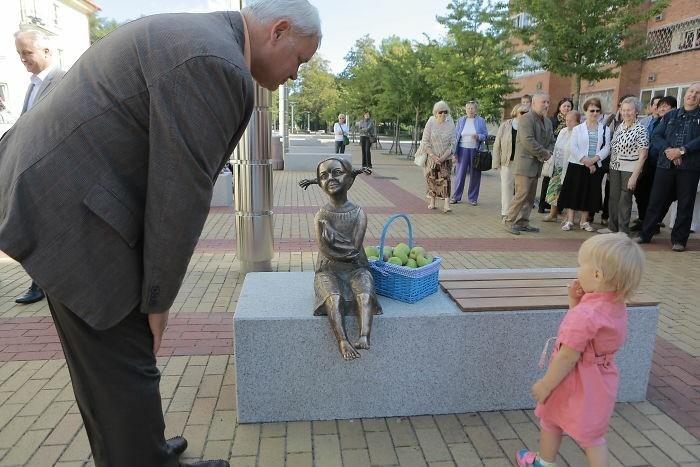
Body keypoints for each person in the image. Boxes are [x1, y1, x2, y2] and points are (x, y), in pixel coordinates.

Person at [0, 2, 321, 466]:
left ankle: (144, 449)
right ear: (279, 31)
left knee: (107, 370)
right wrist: (158, 301)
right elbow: (179, 195)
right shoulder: (219, 65)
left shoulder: (202, 38)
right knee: (125, 363)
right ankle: (139, 456)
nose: (296, 74)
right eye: (300, 60)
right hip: (70, 213)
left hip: (55, 192)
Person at [515, 233, 645, 467]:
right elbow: (593, 338)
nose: (578, 270)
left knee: (550, 420)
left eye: (580, 265)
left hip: (570, 380)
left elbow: (568, 355)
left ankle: (544, 463)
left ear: (596, 275)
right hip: (599, 381)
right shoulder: (615, 306)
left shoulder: (585, 314)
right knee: (593, 437)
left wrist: (546, 385)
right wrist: (575, 303)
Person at [298, 158, 380, 360]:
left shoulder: (359, 213)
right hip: (328, 270)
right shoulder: (321, 216)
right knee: (333, 299)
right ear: (320, 184)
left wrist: (334, 238)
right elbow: (325, 250)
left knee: (365, 293)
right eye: (324, 176)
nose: (330, 179)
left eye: (336, 173)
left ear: (350, 180)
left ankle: (364, 336)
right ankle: (342, 341)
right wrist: (338, 244)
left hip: (356, 268)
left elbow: (354, 248)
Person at [12, 30, 66, 305]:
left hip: (53, 171)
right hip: (34, 170)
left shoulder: (62, 81)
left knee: (49, 229)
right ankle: (41, 283)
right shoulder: (33, 84)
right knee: (38, 229)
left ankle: (46, 284)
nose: (23, 58)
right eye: (20, 53)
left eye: (27, 52)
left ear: (46, 51)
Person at [636, 82, 700, 252]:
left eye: (698, 93)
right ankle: (645, 234)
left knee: (685, 204)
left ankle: (679, 240)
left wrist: (681, 151)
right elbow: (656, 136)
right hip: (665, 164)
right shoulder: (670, 116)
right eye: (691, 91)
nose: (693, 95)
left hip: (690, 168)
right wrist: (669, 151)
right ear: (685, 94)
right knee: (655, 200)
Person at [503, 92, 555, 235]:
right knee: (522, 193)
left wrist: (548, 152)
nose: (546, 105)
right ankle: (508, 220)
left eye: (548, 102)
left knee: (530, 196)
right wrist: (544, 153)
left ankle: (523, 222)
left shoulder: (548, 121)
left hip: (537, 164)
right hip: (525, 165)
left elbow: (551, 140)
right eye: (543, 102)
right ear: (533, 104)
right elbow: (527, 140)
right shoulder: (526, 119)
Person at [558, 98, 611, 232]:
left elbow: (607, 147)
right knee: (573, 192)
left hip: (595, 165)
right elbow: (573, 147)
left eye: (597, 111)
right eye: (591, 110)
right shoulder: (577, 129)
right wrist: (586, 161)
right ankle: (570, 220)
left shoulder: (605, 129)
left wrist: (594, 160)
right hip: (577, 165)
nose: (594, 113)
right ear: (585, 112)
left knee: (589, 193)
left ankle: (584, 221)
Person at [598, 97, 648, 235]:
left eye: (629, 110)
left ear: (636, 111)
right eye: (623, 110)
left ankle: (623, 230)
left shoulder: (641, 129)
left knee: (625, 199)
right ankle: (612, 227)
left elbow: (643, 155)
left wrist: (634, 176)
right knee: (613, 197)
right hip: (615, 168)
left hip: (630, 169)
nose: (626, 113)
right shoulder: (620, 126)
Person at [631, 95, 678, 233]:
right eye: (659, 105)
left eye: (666, 106)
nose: (661, 108)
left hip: (664, 164)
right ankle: (643, 219)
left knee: (662, 196)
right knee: (641, 192)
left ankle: (655, 222)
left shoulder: (673, 122)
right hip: (647, 163)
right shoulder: (648, 122)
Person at [418, 101, 456, 213]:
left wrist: (444, 156)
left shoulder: (450, 122)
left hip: (446, 157)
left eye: (445, 112)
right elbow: (425, 141)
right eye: (440, 112)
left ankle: (447, 203)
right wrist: (432, 155)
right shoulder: (431, 121)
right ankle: (432, 202)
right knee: (431, 179)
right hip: (432, 157)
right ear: (435, 113)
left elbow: (453, 143)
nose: (443, 114)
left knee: (446, 180)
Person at [542, 110, 580, 223]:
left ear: (577, 122)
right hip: (558, 166)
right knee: (554, 190)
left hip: (570, 166)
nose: (568, 123)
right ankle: (553, 214)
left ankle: (569, 217)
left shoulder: (579, 132)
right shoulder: (563, 131)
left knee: (568, 192)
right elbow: (556, 146)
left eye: (571, 121)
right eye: (567, 120)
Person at [539, 98, 574, 214]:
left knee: (561, 183)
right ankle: (542, 205)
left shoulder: (575, 122)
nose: (566, 108)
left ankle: (557, 207)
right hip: (552, 153)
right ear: (559, 107)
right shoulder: (553, 120)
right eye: (564, 106)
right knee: (547, 179)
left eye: (569, 106)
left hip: (566, 156)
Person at [493, 104, 528, 218]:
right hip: (508, 162)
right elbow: (497, 144)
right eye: (522, 112)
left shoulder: (529, 126)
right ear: (515, 112)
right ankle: (506, 212)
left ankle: (519, 214)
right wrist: (496, 162)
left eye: (527, 113)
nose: (524, 115)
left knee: (521, 190)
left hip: (523, 163)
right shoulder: (505, 125)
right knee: (506, 188)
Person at [452, 100, 488, 205]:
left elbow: (485, 135)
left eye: (472, 108)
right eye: (468, 108)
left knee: (475, 175)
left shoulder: (481, 121)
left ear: (476, 109)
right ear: (465, 109)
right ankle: (456, 197)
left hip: (475, 151)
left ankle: (473, 198)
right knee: (459, 174)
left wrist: (479, 136)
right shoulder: (460, 120)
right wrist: (455, 153)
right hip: (462, 150)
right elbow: (455, 137)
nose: (470, 110)